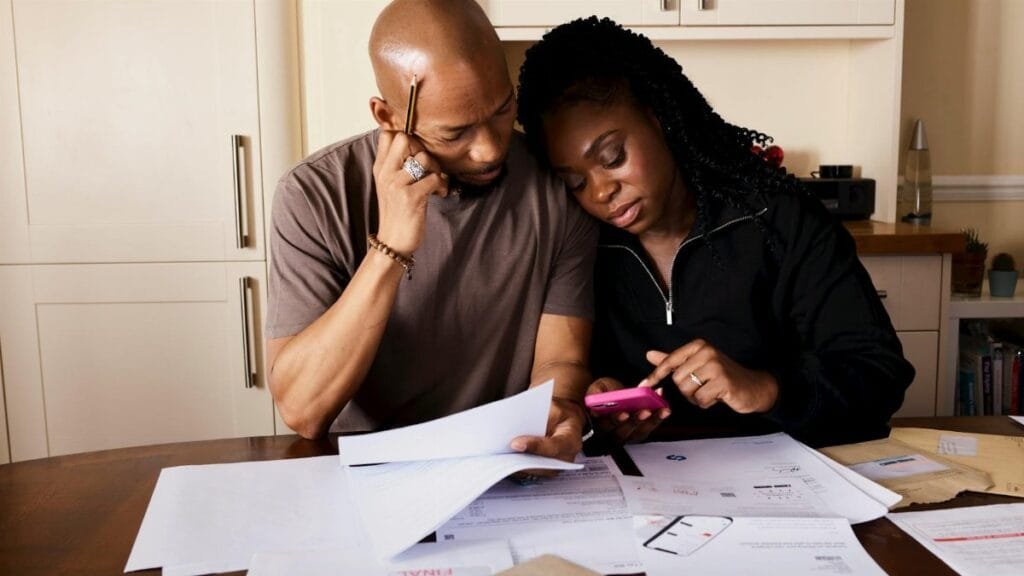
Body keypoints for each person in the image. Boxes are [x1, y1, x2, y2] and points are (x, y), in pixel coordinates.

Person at [516, 17, 915, 448]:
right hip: (642, 492)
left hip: (786, 481)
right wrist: (601, 401)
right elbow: (568, 378)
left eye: (613, 157)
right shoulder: (581, 246)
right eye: (574, 182)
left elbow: (880, 376)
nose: (600, 192)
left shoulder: (778, 220)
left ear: (660, 118)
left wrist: (764, 388)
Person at [264, 0, 597, 465]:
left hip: (500, 460)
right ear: (387, 117)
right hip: (358, 468)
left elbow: (560, 360)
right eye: (455, 133)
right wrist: (391, 246)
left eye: (502, 110)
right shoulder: (314, 194)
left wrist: (559, 411)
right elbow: (303, 411)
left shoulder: (554, 185)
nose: (487, 150)